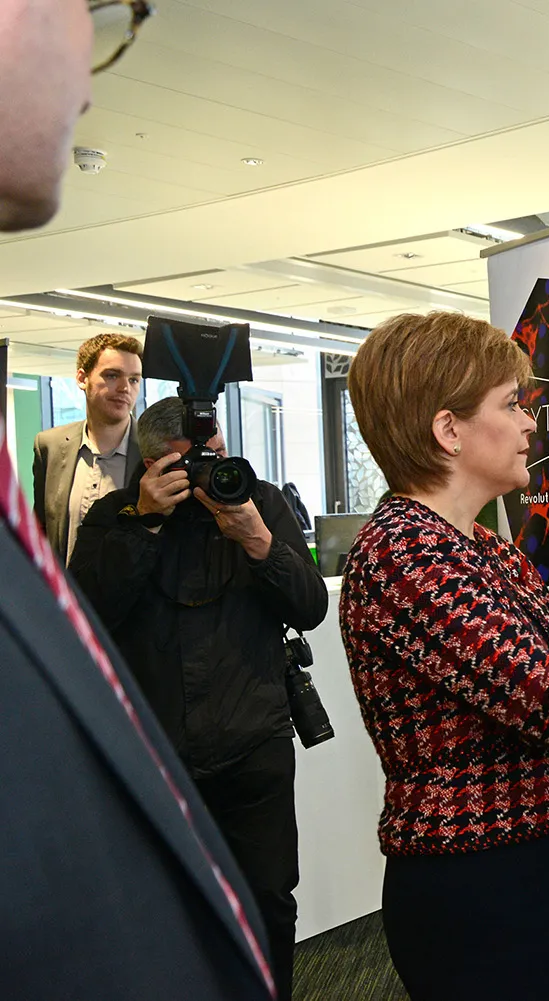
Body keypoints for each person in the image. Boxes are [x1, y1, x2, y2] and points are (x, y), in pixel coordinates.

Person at [0, 1, 277, 997]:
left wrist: (244, 525)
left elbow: (299, 598)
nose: (95, 67)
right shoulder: (55, 460)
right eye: (99, 12)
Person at [338, 311, 549, 1001]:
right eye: (511, 404)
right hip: (482, 887)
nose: (530, 423)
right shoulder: (405, 553)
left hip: (534, 864)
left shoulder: (484, 547)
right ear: (448, 430)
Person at [68, 397, 327, 1000]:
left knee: (268, 903)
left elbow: (310, 606)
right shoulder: (115, 517)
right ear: (153, 464)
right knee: (164, 910)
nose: (206, 476)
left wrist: (260, 543)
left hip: (253, 746)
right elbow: (85, 614)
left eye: (211, 459)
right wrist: (146, 523)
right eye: (186, 466)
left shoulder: (254, 502)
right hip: (157, 757)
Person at [33, 331, 143, 562]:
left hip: (132, 595)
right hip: (65, 594)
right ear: (83, 379)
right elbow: (42, 531)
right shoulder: (49, 446)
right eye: (113, 376)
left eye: (134, 379)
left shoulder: (154, 450)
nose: (125, 388)